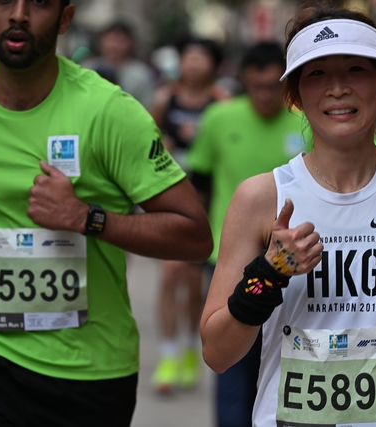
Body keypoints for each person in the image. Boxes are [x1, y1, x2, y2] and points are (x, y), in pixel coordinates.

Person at [200, 5, 376, 427]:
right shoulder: (260, 198)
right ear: (295, 96)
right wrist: (270, 273)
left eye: (356, 70)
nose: (337, 89)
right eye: (317, 74)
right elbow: (217, 353)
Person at [0, 1, 213, 427]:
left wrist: (88, 218)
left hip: (87, 373)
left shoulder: (109, 111)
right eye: (5, 0)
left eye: (40, 3)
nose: (19, 15)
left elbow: (194, 236)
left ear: (65, 18)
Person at [188, 41, 308, 427]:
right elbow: (199, 183)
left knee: (286, 360)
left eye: (273, 86)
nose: (265, 95)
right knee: (232, 363)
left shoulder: (305, 123)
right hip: (230, 256)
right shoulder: (219, 118)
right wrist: (194, 245)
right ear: (243, 80)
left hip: (292, 262)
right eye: (257, 86)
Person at [148, 35, 222, 393]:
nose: (194, 63)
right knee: (169, 275)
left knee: (194, 287)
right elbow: (147, 142)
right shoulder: (166, 99)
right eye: (188, 55)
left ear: (213, 64)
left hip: (206, 204)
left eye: (201, 56)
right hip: (170, 201)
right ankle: (167, 357)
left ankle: (191, 349)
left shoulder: (220, 104)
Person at [83, 20, 157, 110]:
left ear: (131, 43)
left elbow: (148, 107)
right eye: (111, 39)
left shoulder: (141, 74)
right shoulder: (88, 68)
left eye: (120, 41)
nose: (115, 46)